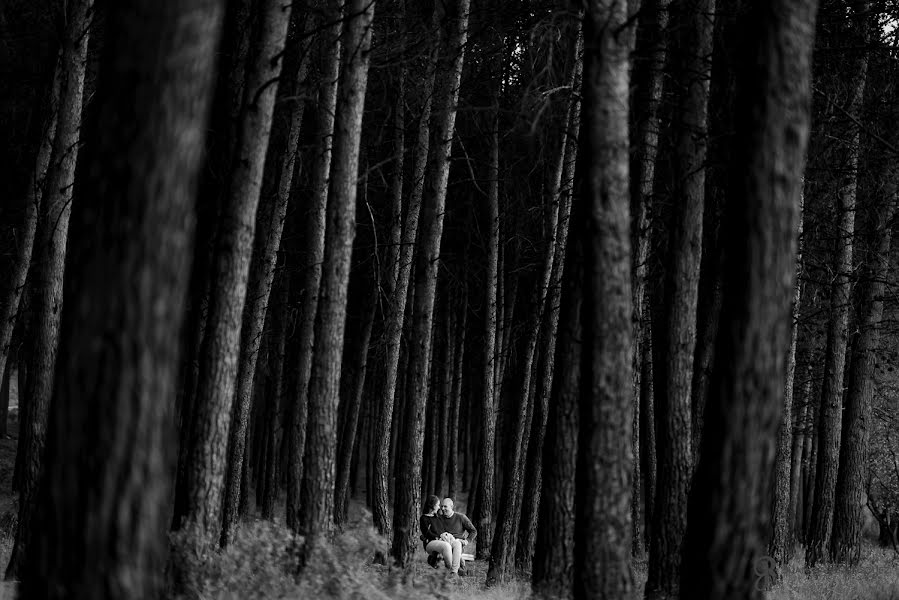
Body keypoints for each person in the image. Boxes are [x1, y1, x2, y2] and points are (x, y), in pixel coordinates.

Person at [436, 497, 477, 575]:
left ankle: (456, 571)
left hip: (457, 544)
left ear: (451, 507)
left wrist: (467, 541)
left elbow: (473, 531)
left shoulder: (461, 517)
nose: (442, 508)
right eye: (441, 506)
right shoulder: (439, 518)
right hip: (444, 543)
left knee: (456, 545)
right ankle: (461, 567)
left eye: (445, 506)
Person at [419, 495, 454, 571]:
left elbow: (442, 530)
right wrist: (439, 536)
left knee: (455, 543)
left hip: (441, 541)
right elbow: (427, 533)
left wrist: (445, 535)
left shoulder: (437, 517)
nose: (439, 507)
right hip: (430, 543)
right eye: (437, 505)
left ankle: (458, 566)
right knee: (446, 546)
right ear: (432, 505)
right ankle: (451, 569)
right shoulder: (424, 518)